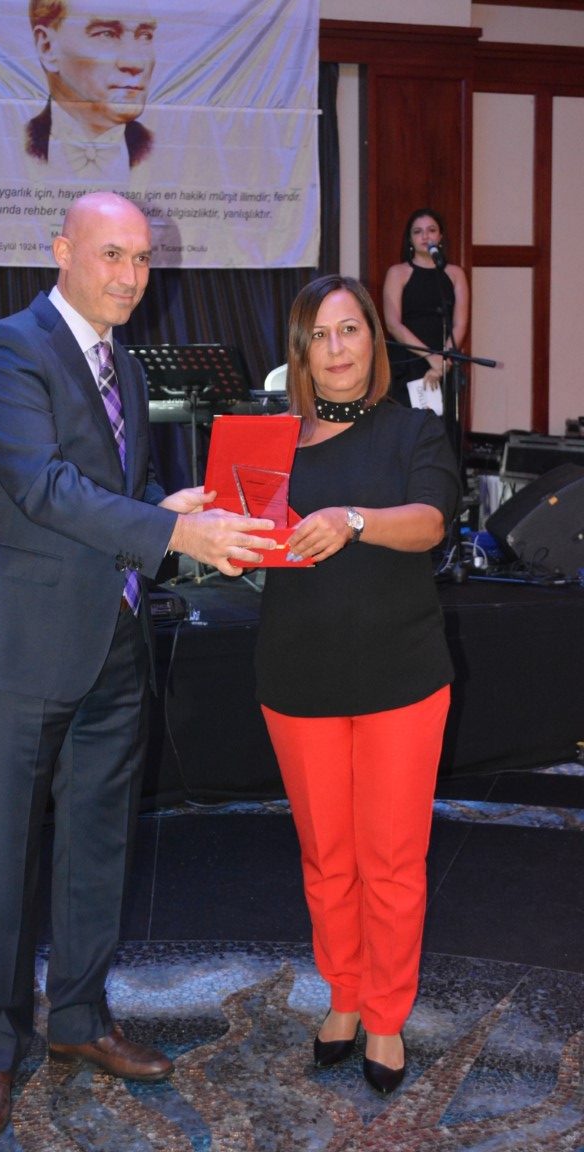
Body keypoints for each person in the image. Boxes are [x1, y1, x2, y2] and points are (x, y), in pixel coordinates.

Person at [0, 190, 275, 1137]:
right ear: (62, 250)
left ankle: (80, 1020)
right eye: (112, 255)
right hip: (19, 646)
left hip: (116, 640)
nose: (131, 276)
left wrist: (165, 507)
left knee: (97, 846)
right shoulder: (7, 348)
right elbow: (44, 487)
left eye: (142, 259)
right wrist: (174, 536)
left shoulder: (124, 364)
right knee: (1, 857)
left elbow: (113, 490)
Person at [254, 275, 460, 1095]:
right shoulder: (269, 442)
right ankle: (342, 995)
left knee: (392, 861)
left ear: (374, 339)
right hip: (296, 677)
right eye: (319, 336)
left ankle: (385, 1013)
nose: (337, 349)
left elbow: (431, 522)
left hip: (400, 678)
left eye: (350, 330)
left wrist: (353, 520)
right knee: (326, 857)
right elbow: (248, 540)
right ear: (300, 354)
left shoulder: (414, 430)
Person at [25, 0, 156, 178]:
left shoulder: (171, 150)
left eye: (145, 36)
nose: (136, 64)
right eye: (107, 34)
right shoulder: (6, 144)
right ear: (47, 48)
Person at [382, 208, 469, 413]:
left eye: (431, 230)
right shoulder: (398, 273)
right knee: (408, 423)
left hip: (444, 361)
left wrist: (443, 362)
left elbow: (460, 323)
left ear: (440, 236)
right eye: (418, 231)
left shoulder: (455, 273)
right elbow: (393, 324)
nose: (425, 236)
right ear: (410, 239)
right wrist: (431, 357)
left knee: (444, 423)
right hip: (408, 359)